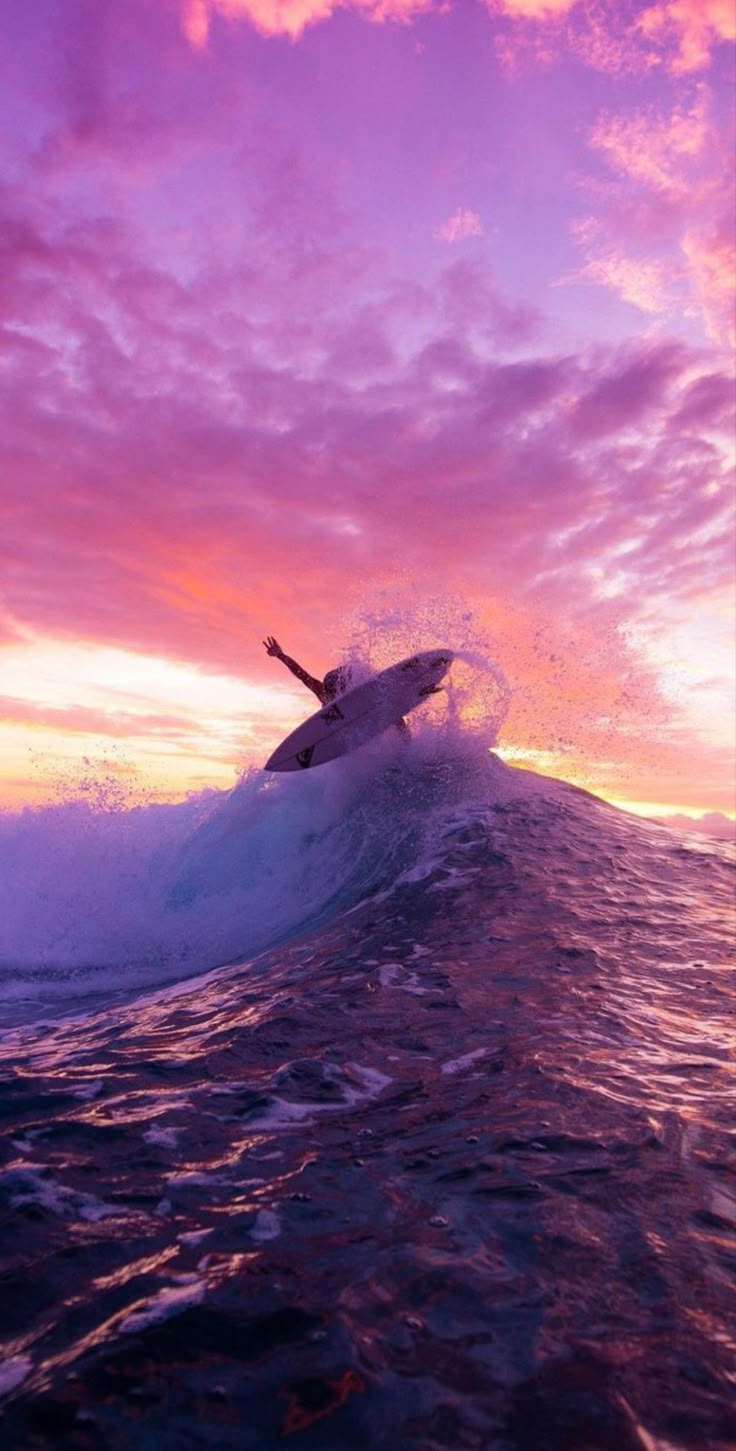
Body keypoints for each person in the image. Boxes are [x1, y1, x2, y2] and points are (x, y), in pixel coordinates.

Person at [263, 637, 411, 739]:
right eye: (332, 692)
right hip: (355, 716)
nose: (333, 695)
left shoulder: (363, 692)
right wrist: (280, 655)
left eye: (335, 690)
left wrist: (406, 737)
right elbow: (301, 675)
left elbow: (394, 713)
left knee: (379, 694)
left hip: (362, 689)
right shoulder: (325, 696)